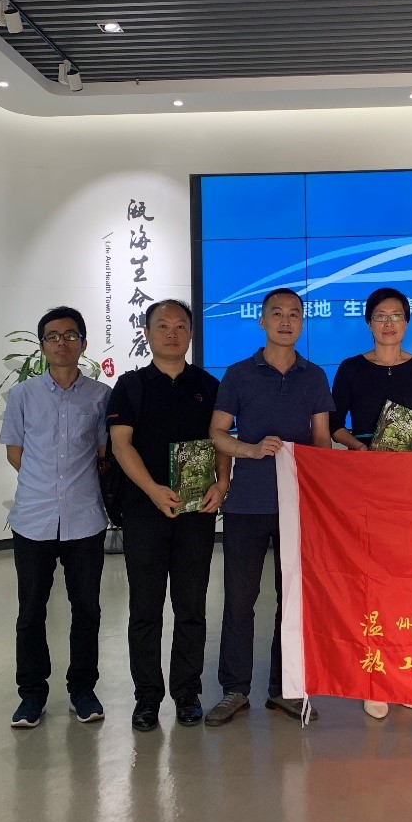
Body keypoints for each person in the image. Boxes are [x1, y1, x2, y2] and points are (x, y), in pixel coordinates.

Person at [207, 287, 334, 726]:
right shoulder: (239, 374)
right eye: (276, 313)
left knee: (292, 599)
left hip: (296, 507)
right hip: (246, 504)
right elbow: (217, 434)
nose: (285, 321)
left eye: (294, 314)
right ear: (261, 320)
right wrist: (251, 449)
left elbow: (322, 440)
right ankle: (234, 689)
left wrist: (321, 481)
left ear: (302, 322)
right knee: (239, 599)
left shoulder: (314, 376)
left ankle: (285, 688)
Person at [107, 299, 229, 732]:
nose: (172, 333)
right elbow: (121, 444)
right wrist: (153, 490)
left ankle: (187, 693)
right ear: (147, 333)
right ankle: (146, 697)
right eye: (162, 325)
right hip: (145, 511)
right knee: (145, 608)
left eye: (180, 326)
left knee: (191, 606)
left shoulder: (209, 386)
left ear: (191, 334)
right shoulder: (131, 386)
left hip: (196, 514)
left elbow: (220, 440)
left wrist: (222, 483)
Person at [0, 306, 112, 729]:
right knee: (31, 611)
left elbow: (103, 451)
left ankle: (83, 689)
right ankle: (32, 694)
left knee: (86, 609)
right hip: (34, 519)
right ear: (42, 345)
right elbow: (15, 452)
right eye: (52, 336)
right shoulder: (23, 396)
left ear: (83, 343)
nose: (61, 343)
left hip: (85, 518)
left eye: (70, 335)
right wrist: (46, 483)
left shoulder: (100, 396)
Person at [330, 287, 412, 719]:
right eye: (380, 316)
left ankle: (406, 672)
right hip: (366, 484)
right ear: (369, 322)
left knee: (410, 583)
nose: (389, 323)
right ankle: (374, 676)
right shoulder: (351, 368)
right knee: (371, 581)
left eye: (396, 315)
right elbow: (335, 425)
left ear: (407, 322)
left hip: (410, 488)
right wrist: (362, 451)